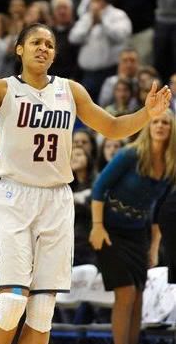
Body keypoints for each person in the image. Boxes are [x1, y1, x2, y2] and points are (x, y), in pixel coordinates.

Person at [0, 0, 172, 342]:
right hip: (15, 197)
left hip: (56, 200)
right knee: (13, 301)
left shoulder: (70, 90)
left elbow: (112, 127)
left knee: (43, 309)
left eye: (49, 44)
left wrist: (146, 116)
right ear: (19, 50)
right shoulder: (3, 89)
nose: (44, 48)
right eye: (36, 42)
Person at [89, 109, 176, 344]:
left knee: (138, 295)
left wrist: (154, 247)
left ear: (171, 129)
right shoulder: (131, 154)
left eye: (165, 123)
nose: (160, 126)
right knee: (126, 292)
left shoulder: (171, 164)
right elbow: (99, 188)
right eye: (155, 121)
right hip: (109, 229)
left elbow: (160, 210)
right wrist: (97, 226)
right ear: (148, 126)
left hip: (138, 232)